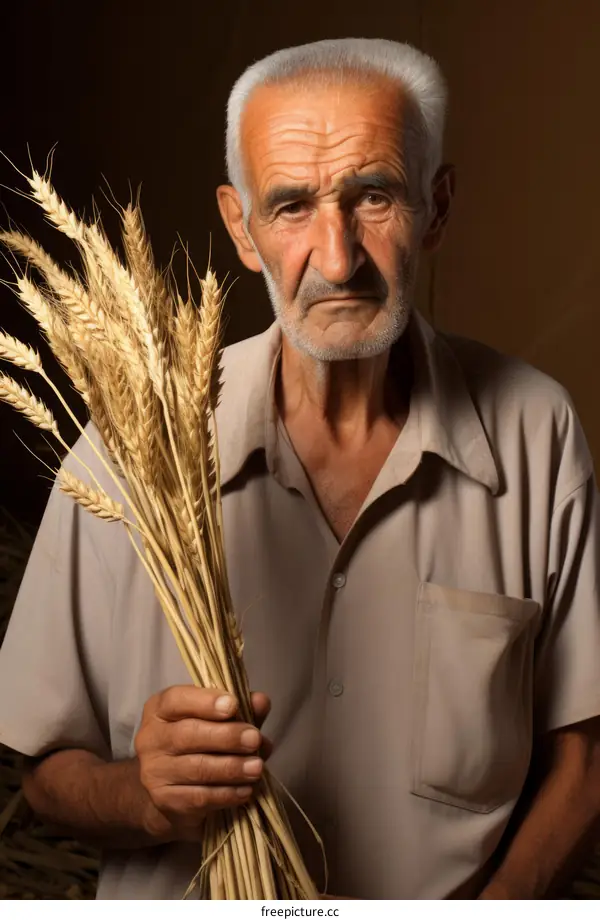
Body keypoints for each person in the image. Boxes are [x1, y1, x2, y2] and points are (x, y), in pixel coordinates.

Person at [1, 37, 600, 901]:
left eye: (375, 197)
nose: (337, 256)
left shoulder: (536, 433)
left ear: (436, 207)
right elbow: (45, 773)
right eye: (290, 206)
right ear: (240, 228)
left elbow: (582, 766)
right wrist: (142, 797)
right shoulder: (136, 443)